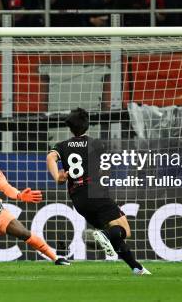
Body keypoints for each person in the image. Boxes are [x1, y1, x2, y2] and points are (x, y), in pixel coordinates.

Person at [46, 108, 151, 275]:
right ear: (87, 126)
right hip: (95, 192)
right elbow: (105, 169)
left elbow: (50, 157)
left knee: (114, 234)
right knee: (124, 231)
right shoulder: (95, 143)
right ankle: (105, 235)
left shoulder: (62, 146)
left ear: (70, 127)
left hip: (78, 199)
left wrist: (58, 176)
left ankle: (137, 268)